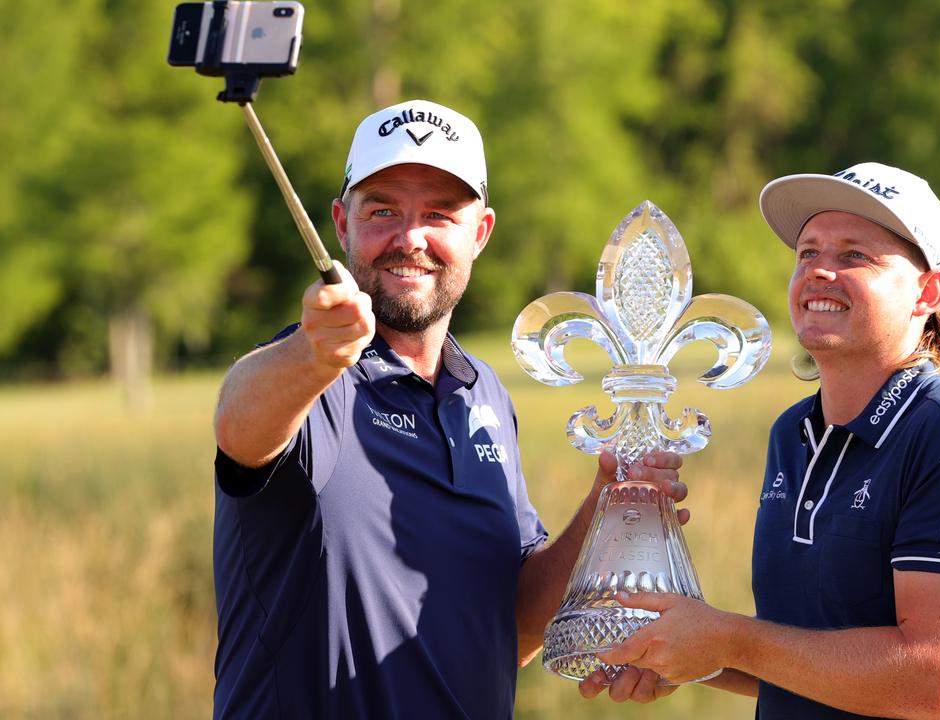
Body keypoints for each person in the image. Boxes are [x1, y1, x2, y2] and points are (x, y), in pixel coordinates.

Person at [211, 99, 686, 719]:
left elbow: (511, 626)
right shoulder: (307, 374)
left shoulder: (483, 393)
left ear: (480, 233)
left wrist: (609, 504)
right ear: (342, 225)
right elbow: (238, 428)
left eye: (438, 214)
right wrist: (312, 354)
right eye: (383, 211)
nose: (410, 238)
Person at [581, 162, 940, 719]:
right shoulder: (792, 434)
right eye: (808, 253)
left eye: (853, 256)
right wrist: (677, 651)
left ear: (927, 292)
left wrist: (726, 638)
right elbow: (804, 661)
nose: (820, 271)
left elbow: (933, 682)